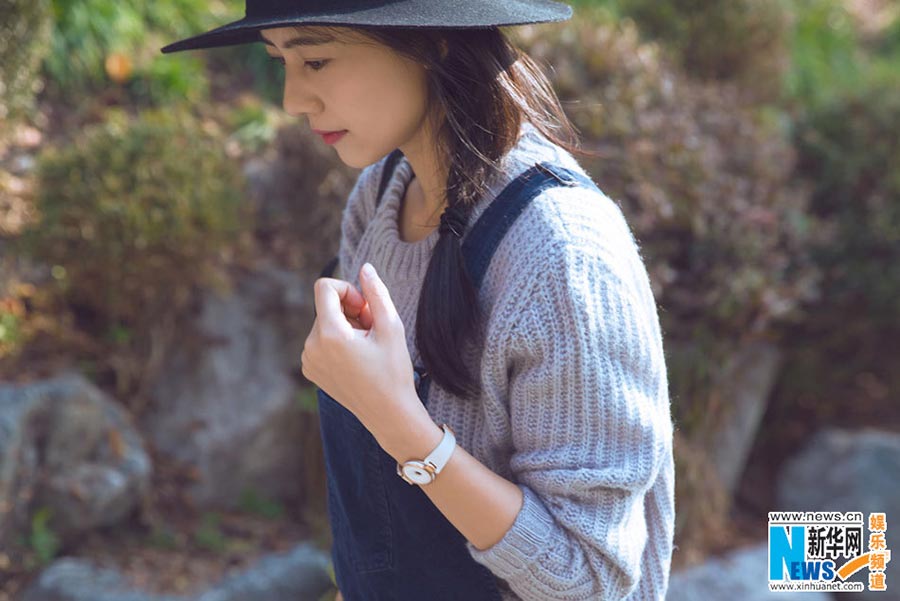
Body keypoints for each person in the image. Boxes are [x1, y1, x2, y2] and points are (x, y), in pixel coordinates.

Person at [161, 2, 675, 599]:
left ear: (433, 41)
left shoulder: (561, 258)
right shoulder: (381, 194)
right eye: (281, 62)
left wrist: (403, 428)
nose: (293, 99)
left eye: (317, 60)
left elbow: (593, 581)